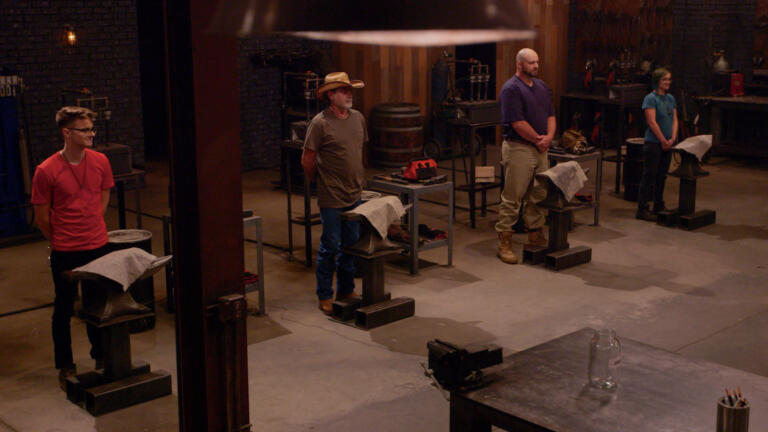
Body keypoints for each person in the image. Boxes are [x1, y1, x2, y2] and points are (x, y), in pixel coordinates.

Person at [31, 106, 114, 389]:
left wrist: (94, 221)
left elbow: (104, 192)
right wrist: (61, 239)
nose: (91, 134)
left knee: (97, 304)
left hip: (97, 245)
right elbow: (42, 217)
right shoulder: (46, 170)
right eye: (85, 130)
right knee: (64, 308)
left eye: (92, 129)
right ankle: (65, 364)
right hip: (66, 250)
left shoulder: (101, 161)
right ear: (67, 132)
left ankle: (101, 356)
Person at [301, 72, 367, 314]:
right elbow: (307, 160)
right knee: (330, 245)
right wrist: (319, 182)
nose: (349, 95)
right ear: (331, 95)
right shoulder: (320, 123)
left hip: (354, 193)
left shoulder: (358, 118)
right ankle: (325, 294)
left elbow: (358, 151)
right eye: (344, 91)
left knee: (351, 244)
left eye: (350, 90)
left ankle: (346, 289)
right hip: (331, 195)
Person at [496, 48, 556, 264]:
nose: (536, 66)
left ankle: (535, 234)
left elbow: (550, 114)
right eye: (531, 62)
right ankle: (504, 241)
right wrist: (539, 140)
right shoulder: (511, 89)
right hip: (519, 147)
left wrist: (549, 137)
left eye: (537, 62)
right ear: (519, 64)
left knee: (539, 192)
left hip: (541, 148)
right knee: (513, 196)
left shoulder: (542, 87)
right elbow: (517, 122)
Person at [636, 68, 678, 221]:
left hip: (668, 143)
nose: (668, 82)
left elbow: (675, 120)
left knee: (662, 176)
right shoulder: (650, 98)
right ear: (657, 81)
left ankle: (659, 205)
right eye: (664, 79)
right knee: (649, 176)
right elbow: (652, 122)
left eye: (669, 79)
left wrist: (672, 138)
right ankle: (642, 209)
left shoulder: (670, 98)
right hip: (654, 143)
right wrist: (662, 140)